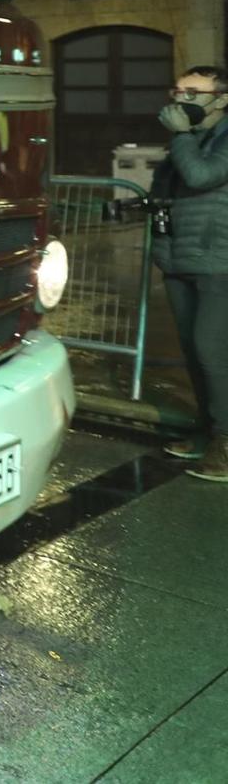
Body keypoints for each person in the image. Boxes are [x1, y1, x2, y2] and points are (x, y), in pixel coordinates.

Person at [149, 64, 228, 481]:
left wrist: (181, 135)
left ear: (221, 99)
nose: (181, 100)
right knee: (194, 354)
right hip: (180, 258)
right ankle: (207, 433)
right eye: (177, 91)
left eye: (193, 93)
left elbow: (201, 176)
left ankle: (227, 445)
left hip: (219, 260)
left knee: (214, 353)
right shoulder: (191, 137)